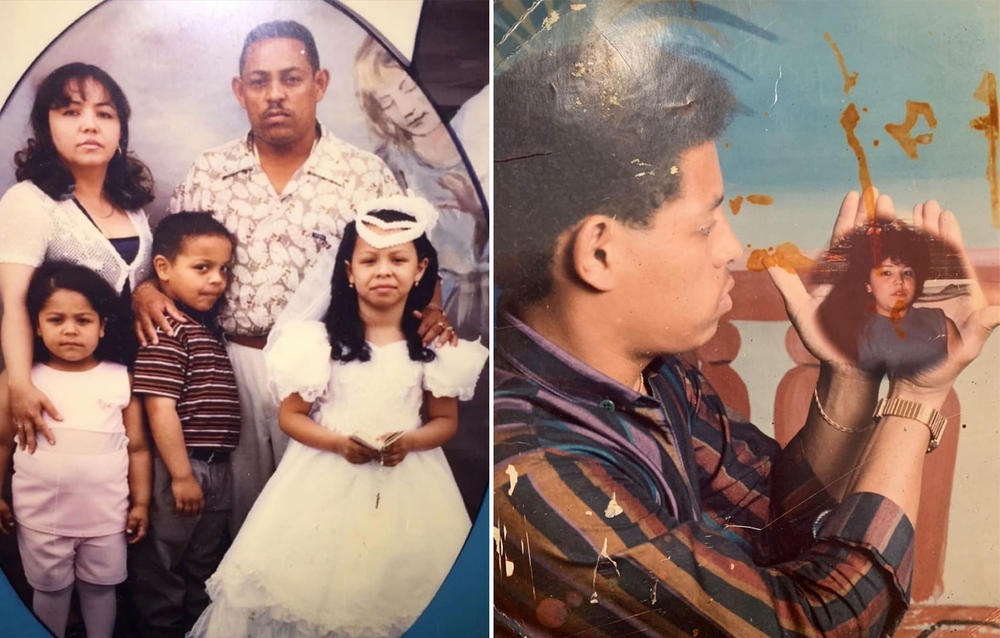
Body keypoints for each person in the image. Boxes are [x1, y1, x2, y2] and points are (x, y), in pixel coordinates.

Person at [492, 19, 999, 638]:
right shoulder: (528, 475)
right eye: (706, 225)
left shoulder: (650, 376)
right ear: (599, 254)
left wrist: (852, 366)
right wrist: (914, 396)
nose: (732, 248)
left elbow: (780, 516)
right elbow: (816, 627)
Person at [132, 20, 454, 532]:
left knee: (318, 514)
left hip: (330, 369)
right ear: (240, 91)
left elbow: (415, 259)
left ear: (320, 83)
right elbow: (168, 264)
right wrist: (145, 289)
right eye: (259, 82)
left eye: (292, 78)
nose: (275, 95)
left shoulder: (362, 174)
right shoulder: (209, 173)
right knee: (238, 517)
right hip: (229, 365)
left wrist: (431, 310)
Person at [188, 196, 487, 638]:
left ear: (421, 270)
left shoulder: (432, 346)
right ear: (349, 271)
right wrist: (338, 443)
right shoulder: (318, 342)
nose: (383, 271)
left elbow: (444, 422)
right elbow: (292, 416)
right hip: (323, 474)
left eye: (398, 259)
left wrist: (409, 441)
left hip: (409, 482)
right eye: (369, 260)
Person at [0, 62, 155, 453]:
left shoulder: (133, 209)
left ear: (120, 131)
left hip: (128, 393)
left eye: (104, 113)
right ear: (46, 128)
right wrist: (19, 385)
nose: (90, 125)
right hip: (56, 389)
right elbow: (13, 305)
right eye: (71, 112)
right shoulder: (30, 202)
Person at [0, 263, 150, 638]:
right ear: (36, 325)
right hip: (41, 516)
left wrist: (142, 503)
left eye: (83, 320)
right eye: (56, 319)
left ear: (101, 326)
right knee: (50, 590)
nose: (70, 330)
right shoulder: (20, 381)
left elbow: (139, 449)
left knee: (101, 589)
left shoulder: (119, 378)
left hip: (104, 516)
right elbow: (2, 442)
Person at [126, 213, 240, 638]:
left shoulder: (206, 330)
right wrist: (179, 474)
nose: (216, 280)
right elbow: (159, 408)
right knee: (163, 566)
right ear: (163, 269)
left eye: (224, 270)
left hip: (217, 470)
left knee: (203, 567)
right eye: (202, 268)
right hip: (180, 468)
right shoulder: (166, 330)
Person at [355, 35, 488, 340]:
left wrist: (480, 213)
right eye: (387, 102)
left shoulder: (478, 132)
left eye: (409, 88)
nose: (406, 109)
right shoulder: (391, 162)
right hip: (431, 306)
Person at [817, 222, 957, 377]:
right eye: (887, 273)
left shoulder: (941, 323)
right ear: (867, 284)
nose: (899, 281)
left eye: (908, 273)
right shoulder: (855, 334)